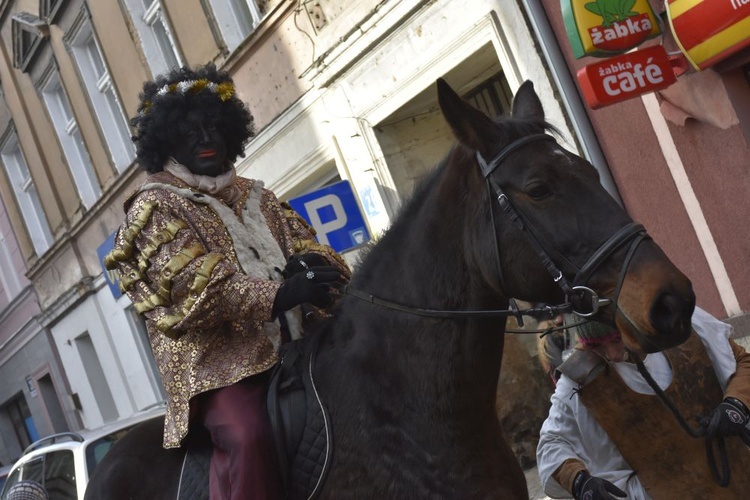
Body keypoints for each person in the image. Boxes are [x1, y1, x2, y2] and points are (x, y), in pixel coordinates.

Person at [105, 63, 351, 500]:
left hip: (302, 346)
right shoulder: (154, 209)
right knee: (248, 434)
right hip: (220, 369)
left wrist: (311, 265)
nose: (206, 139)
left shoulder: (258, 196)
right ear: (166, 142)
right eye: (190, 131)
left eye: (215, 127)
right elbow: (195, 292)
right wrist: (280, 293)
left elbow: (312, 246)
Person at [536, 307, 750, 499]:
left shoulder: (680, 326)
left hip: (737, 476)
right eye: (598, 346)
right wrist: (580, 481)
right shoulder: (578, 378)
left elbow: (743, 361)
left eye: (616, 340)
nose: (612, 354)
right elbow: (551, 444)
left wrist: (736, 404)